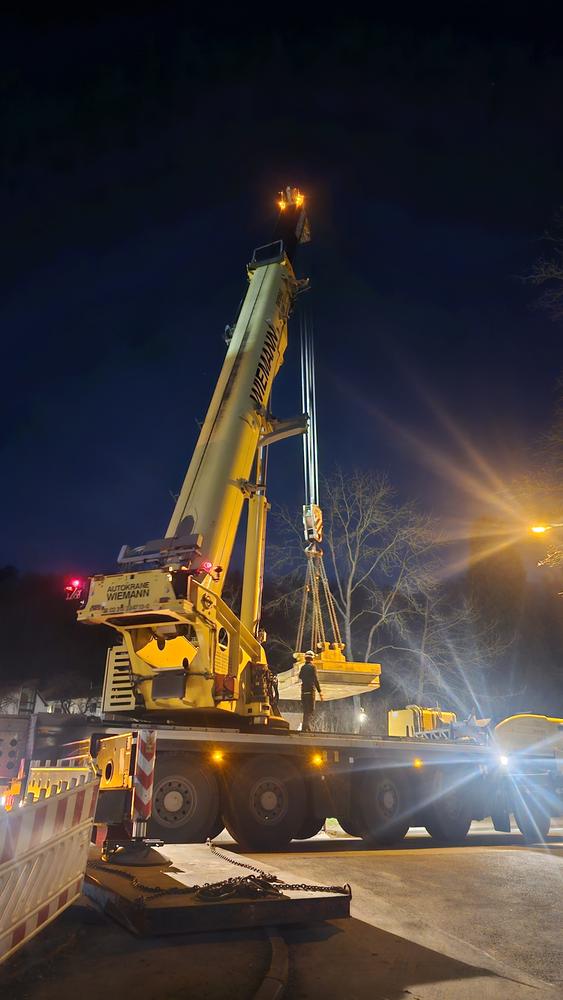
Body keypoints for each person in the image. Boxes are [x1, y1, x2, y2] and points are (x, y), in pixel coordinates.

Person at [299, 650, 323, 732]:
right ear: (312, 658)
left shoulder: (302, 667)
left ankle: (305, 727)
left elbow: (300, 676)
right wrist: (320, 692)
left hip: (303, 691)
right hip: (310, 691)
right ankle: (306, 727)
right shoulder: (313, 667)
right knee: (310, 710)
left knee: (305, 710)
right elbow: (315, 680)